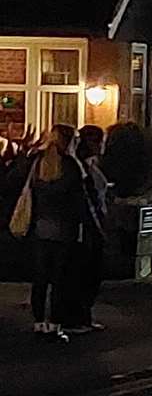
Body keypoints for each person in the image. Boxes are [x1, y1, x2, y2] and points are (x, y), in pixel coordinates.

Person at [24, 124, 90, 341]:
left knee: (40, 279)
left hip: (40, 229)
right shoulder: (70, 166)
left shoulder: (39, 164)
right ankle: (55, 324)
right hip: (64, 230)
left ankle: (38, 322)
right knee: (60, 280)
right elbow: (80, 202)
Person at [63, 125, 109, 334]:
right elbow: (86, 201)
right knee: (84, 274)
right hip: (86, 230)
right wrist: (97, 227)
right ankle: (76, 318)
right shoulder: (77, 167)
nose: (102, 146)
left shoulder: (89, 165)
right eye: (99, 141)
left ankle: (82, 316)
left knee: (90, 274)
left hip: (91, 227)